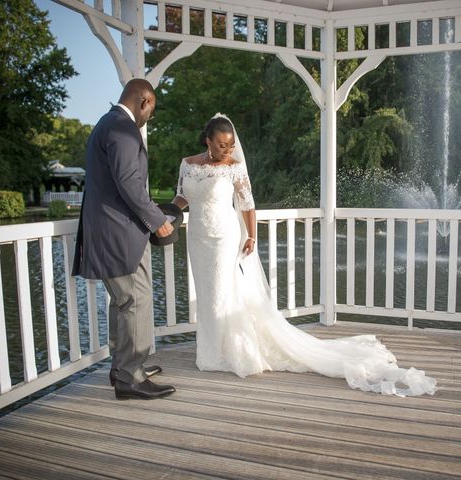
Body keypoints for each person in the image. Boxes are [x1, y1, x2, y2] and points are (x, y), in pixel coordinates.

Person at [172, 113, 436, 397]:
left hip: (224, 237)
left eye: (231, 144)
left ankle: (231, 352)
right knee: (207, 294)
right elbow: (182, 197)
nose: (227, 150)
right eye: (221, 145)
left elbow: (247, 204)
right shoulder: (188, 165)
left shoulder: (234, 168)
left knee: (223, 294)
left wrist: (251, 235)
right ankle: (210, 353)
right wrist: (165, 214)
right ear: (207, 140)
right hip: (197, 238)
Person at [73, 78, 176, 400]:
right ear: (144, 101)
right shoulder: (123, 129)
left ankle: (124, 369)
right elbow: (130, 183)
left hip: (107, 231)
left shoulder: (106, 123)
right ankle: (131, 376)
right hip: (119, 234)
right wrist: (159, 221)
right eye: (152, 111)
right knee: (136, 301)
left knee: (123, 302)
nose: (150, 117)